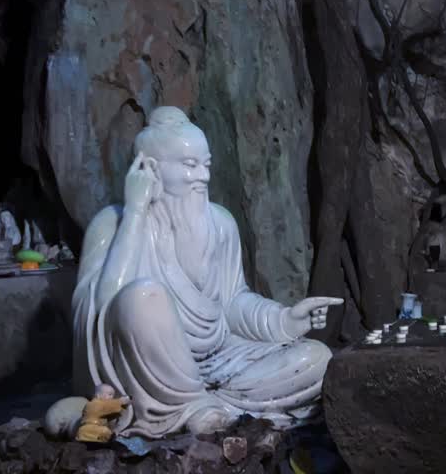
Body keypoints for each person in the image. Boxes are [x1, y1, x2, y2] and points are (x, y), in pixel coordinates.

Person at [72, 107, 342, 437]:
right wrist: (136, 212)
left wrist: (284, 320)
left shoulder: (221, 225)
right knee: (141, 298)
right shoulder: (112, 224)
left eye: (206, 164)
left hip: (222, 358)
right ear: (151, 169)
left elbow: (232, 302)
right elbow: (103, 303)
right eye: (190, 165)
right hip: (152, 371)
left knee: (317, 358)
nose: (203, 176)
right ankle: (196, 407)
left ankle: (207, 408)